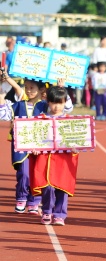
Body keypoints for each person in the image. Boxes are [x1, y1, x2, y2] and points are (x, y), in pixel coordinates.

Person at [0, 74, 73, 214]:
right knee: (24, 173)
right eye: (26, 87)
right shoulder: (18, 105)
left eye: (32, 88)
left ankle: (34, 201)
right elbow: (4, 115)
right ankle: (21, 198)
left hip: (41, 147)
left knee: (37, 173)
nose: (28, 90)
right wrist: (2, 96)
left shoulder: (45, 106)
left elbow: (66, 108)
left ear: (41, 90)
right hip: (21, 146)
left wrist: (61, 88)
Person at [29, 86, 81, 225]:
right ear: (48, 102)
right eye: (54, 103)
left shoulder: (70, 122)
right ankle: (47, 211)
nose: (57, 106)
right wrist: (34, 148)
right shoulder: (40, 120)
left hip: (63, 160)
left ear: (65, 103)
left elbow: (76, 141)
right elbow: (34, 138)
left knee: (62, 187)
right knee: (47, 187)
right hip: (45, 159)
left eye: (60, 103)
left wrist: (75, 148)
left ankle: (59, 214)